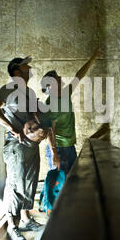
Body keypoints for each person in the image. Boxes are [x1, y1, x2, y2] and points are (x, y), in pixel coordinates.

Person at [0, 56, 60, 240]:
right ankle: (12, 225)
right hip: (15, 145)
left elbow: (39, 113)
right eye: (25, 67)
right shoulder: (9, 88)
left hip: (30, 145)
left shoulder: (29, 92)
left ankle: (26, 220)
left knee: (28, 182)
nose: (29, 69)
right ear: (16, 71)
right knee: (14, 184)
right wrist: (12, 128)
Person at [39, 49, 101, 214]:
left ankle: (66, 213)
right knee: (58, 185)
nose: (60, 78)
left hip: (69, 146)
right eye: (57, 78)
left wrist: (93, 56)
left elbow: (78, 76)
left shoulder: (65, 94)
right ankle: (52, 215)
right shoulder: (50, 103)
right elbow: (50, 131)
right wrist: (54, 154)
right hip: (58, 149)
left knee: (70, 182)